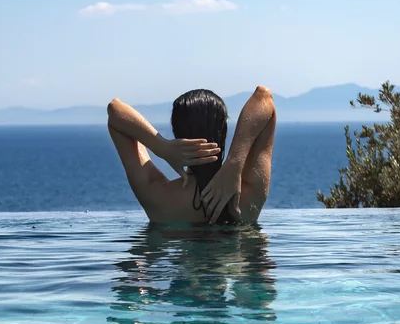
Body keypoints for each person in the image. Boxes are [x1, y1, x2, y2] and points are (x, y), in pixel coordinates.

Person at [107, 86, 276, 224]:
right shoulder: (248, 193)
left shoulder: (156, 195)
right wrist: (235, 163)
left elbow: (114, 110)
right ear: (223, 132)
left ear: (176, 132)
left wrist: (162, 147)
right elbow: (264, 97)